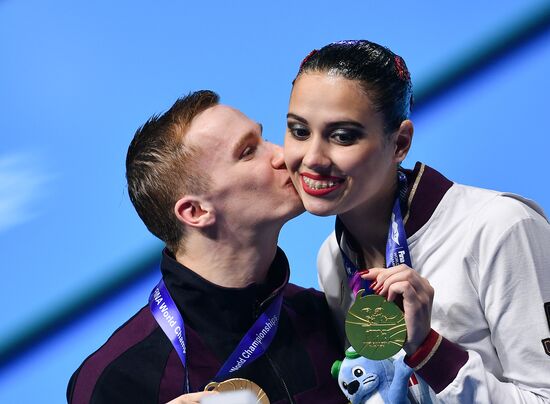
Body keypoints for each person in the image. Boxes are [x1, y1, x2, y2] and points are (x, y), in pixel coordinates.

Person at [283, 40, 550, 402]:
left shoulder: (500, 227)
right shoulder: (332, 256)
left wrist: (429, 349)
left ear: (400, 143)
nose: (312, 157)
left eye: (343, 136)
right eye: (299, 131)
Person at [67, 90, 345, 404]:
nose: (282, 155)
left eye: (264, 138)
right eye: (248, 151)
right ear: (196, 212)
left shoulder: (323, 317)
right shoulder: (115, 380)